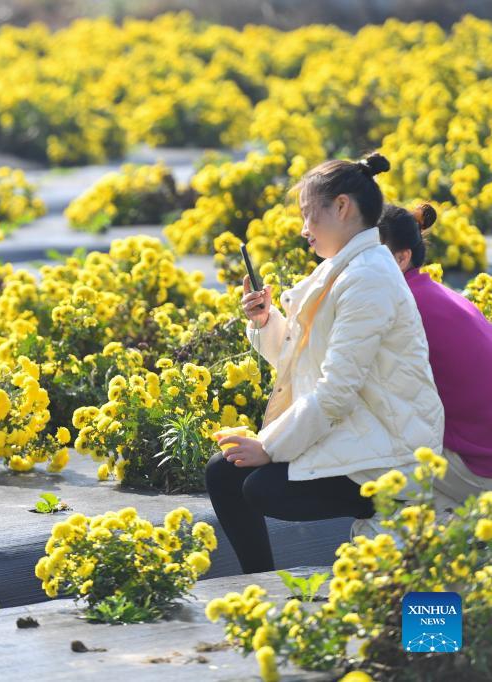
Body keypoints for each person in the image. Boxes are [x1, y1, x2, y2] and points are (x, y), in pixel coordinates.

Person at [204, 152, 444, 574]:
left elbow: (335, 391)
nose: (303, 229)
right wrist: (266, 321)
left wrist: (269, 447)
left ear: (342, 207)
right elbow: (306, 359)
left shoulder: (367, 277)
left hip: (392, 452)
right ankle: (259, 585)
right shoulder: (343, 268)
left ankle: (388, 511)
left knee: (261, 486)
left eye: (308, 214)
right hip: (361, 430)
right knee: (225, 472)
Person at [377, 202, 492, 504]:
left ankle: (407, 519)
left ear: (402, 258)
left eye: (367, 255)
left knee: (360, 434)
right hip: (483, 456)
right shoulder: (436, 293)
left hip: (479, 473)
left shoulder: (402, 308)